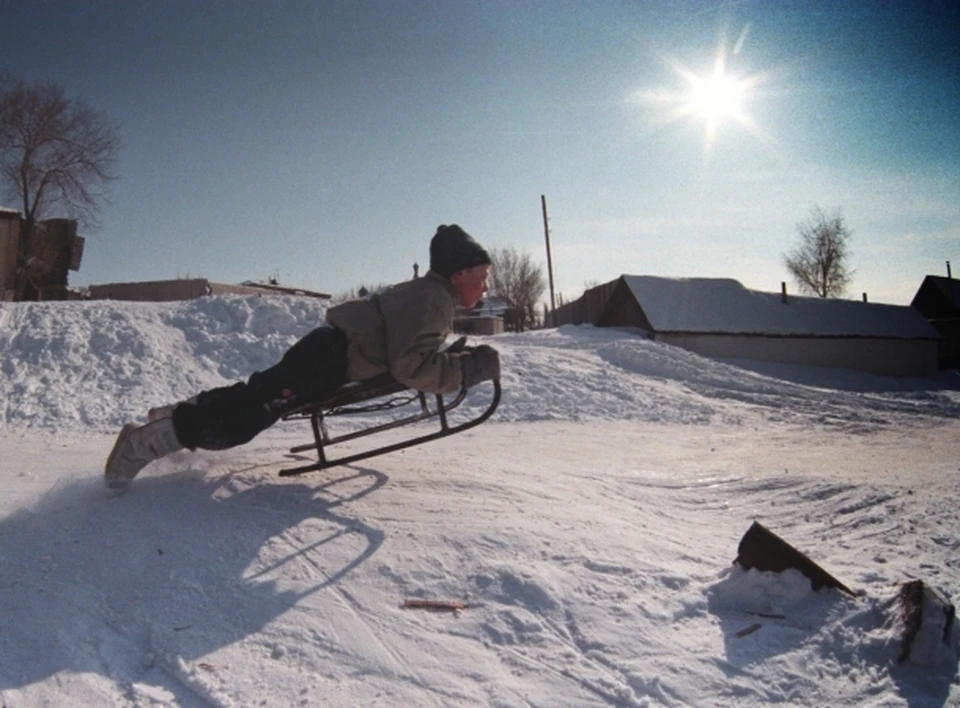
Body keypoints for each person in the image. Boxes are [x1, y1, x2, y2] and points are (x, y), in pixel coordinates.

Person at [104, 224, 501, 489]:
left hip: (327, 352)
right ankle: (144, 444)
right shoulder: (434, 300)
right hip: (328, 361)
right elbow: (410, 366)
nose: (484, 287)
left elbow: (408, 349)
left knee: (255, 395)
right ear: (458, 274)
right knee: (246, 417)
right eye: (481, 277)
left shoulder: (429, 294)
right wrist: (464, 371)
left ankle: (173, 415)